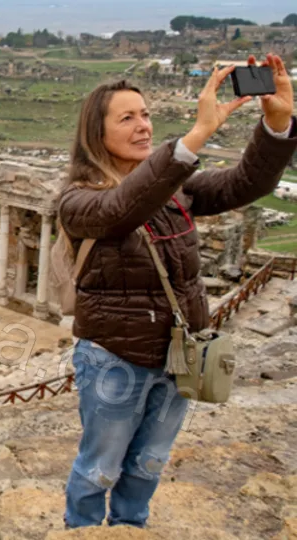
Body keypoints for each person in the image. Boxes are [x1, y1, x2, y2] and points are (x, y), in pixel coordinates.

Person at [59, 54, 297, 529]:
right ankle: (81, 533)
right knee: (99, 469)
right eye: (127, 118)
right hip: (115, 358)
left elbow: (244, 183)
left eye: (146, 114)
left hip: (178, 358)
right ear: (95, 134)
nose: (143, 125)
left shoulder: (175, 192)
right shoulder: (78, 200)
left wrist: (276, 124)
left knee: (149, 464)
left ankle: (130, 530)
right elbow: (122, 209)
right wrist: (196, 136)